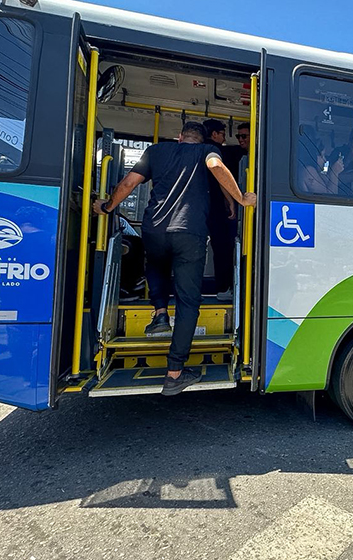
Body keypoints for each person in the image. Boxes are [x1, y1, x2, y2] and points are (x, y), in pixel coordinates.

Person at [94, 121, 256, 396]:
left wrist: (108, 207)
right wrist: (241, 198)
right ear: (202, 139)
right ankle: (174, 372)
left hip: (154, 229)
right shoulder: (206, 152)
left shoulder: (156, 151)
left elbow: (129, 183)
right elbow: (217, 167)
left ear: (179, 137)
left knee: (154, 265)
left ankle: (159, 314)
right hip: (189, 234)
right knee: (188, 302)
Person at [202, 118, 237, 301]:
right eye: (223, 134)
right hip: (214, 206)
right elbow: (219, 176)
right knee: (222, 248)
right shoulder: (214, 151)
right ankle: (223, 288)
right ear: (214, 134)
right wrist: (231, 200)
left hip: (196, 207)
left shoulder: (193, 151)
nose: (224, 138)